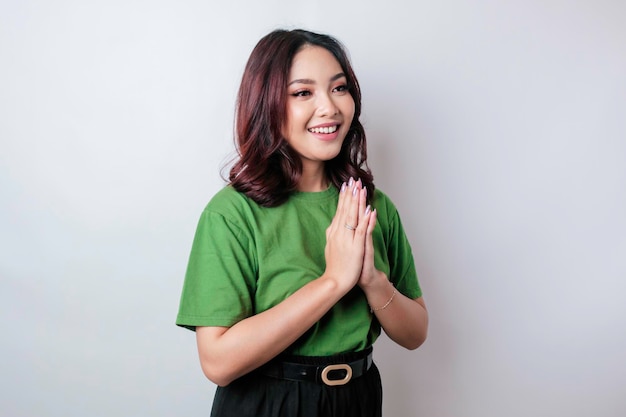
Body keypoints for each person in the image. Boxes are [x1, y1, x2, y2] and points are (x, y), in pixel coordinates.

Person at [176, 28, 428, 417]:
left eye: (339, 88)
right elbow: (218, 363)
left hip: (358, 398)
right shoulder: (231, 214)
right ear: (267, 105)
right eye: (302, 93)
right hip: (268, 401)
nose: (329, 107)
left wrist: (371, 279)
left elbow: (415, 333)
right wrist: (332, 282)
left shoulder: (372, 205)